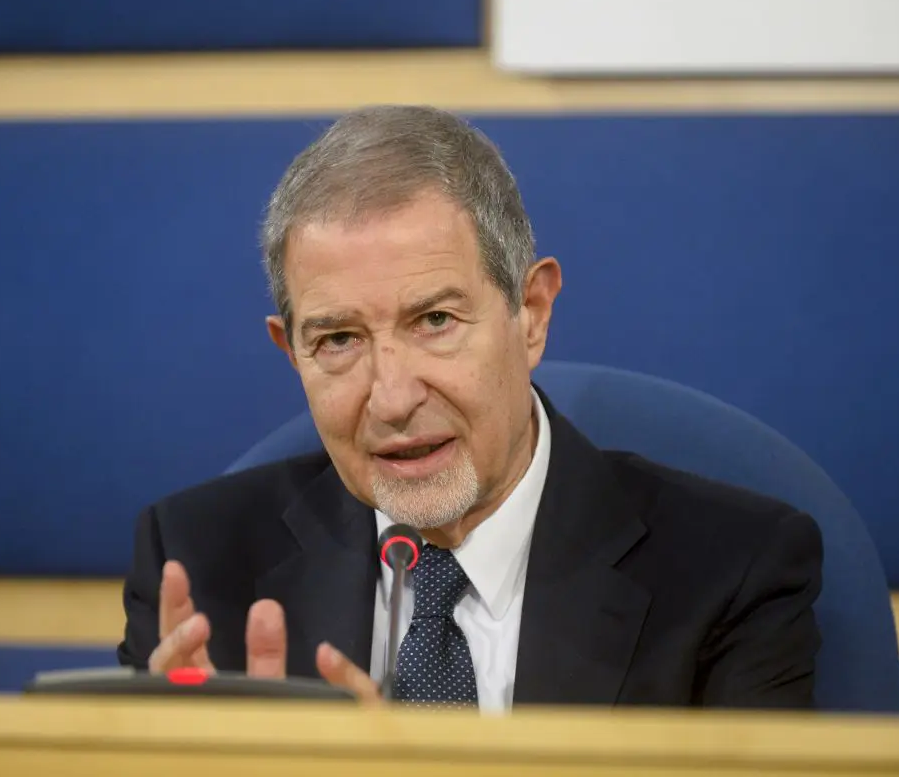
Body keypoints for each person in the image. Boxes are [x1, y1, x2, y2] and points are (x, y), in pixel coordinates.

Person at [117, 105, 823, 711]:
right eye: (338, 340)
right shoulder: (197, 569)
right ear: (292, 352)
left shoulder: (730, 574)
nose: (393, 398)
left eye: (435, 321)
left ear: (532, 314)